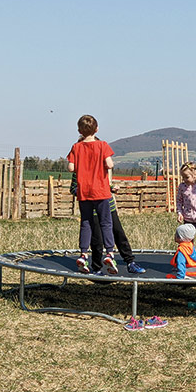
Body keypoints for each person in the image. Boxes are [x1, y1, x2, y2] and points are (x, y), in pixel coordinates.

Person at [67, 115, 117, 274]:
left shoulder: (76, 147)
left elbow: (70, 168)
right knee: (106, 223)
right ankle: (109, 252)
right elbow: (109, 164)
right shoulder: (102, 145)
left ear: (79, 131)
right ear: (97, 129)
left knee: (86, 223)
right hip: (101, 191)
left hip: (84, 192)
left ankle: (83, 254)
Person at [70, 173, 146, 274]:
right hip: (92, 210)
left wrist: (111, 188)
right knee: (97, 240)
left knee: (119, 233)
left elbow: (103, 184)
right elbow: (72, 188)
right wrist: (84, 192)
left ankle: (130, 262)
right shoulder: (79, 170)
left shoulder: (99, 166)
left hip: (108, 206)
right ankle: (97, 268)